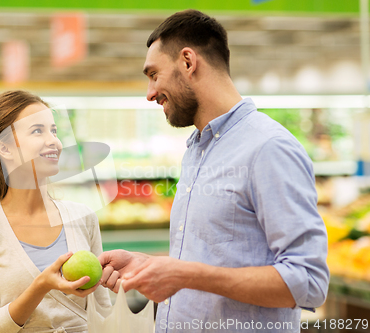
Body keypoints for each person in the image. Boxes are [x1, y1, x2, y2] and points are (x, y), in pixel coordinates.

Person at [99, 9, 329, 333]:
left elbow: (309, 282)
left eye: (153, 75)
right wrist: (149, 266)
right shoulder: (197, 149)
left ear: (188, 62)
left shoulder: (268, 148)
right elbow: (213, 257)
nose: (150, 93)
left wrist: (183, 275)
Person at [0, 90, 110, 333]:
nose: (54, 142)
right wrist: (41, 287)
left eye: (54, 131)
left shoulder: (83, 217)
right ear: (5, 149)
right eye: (38, 131)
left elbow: (102, 312)